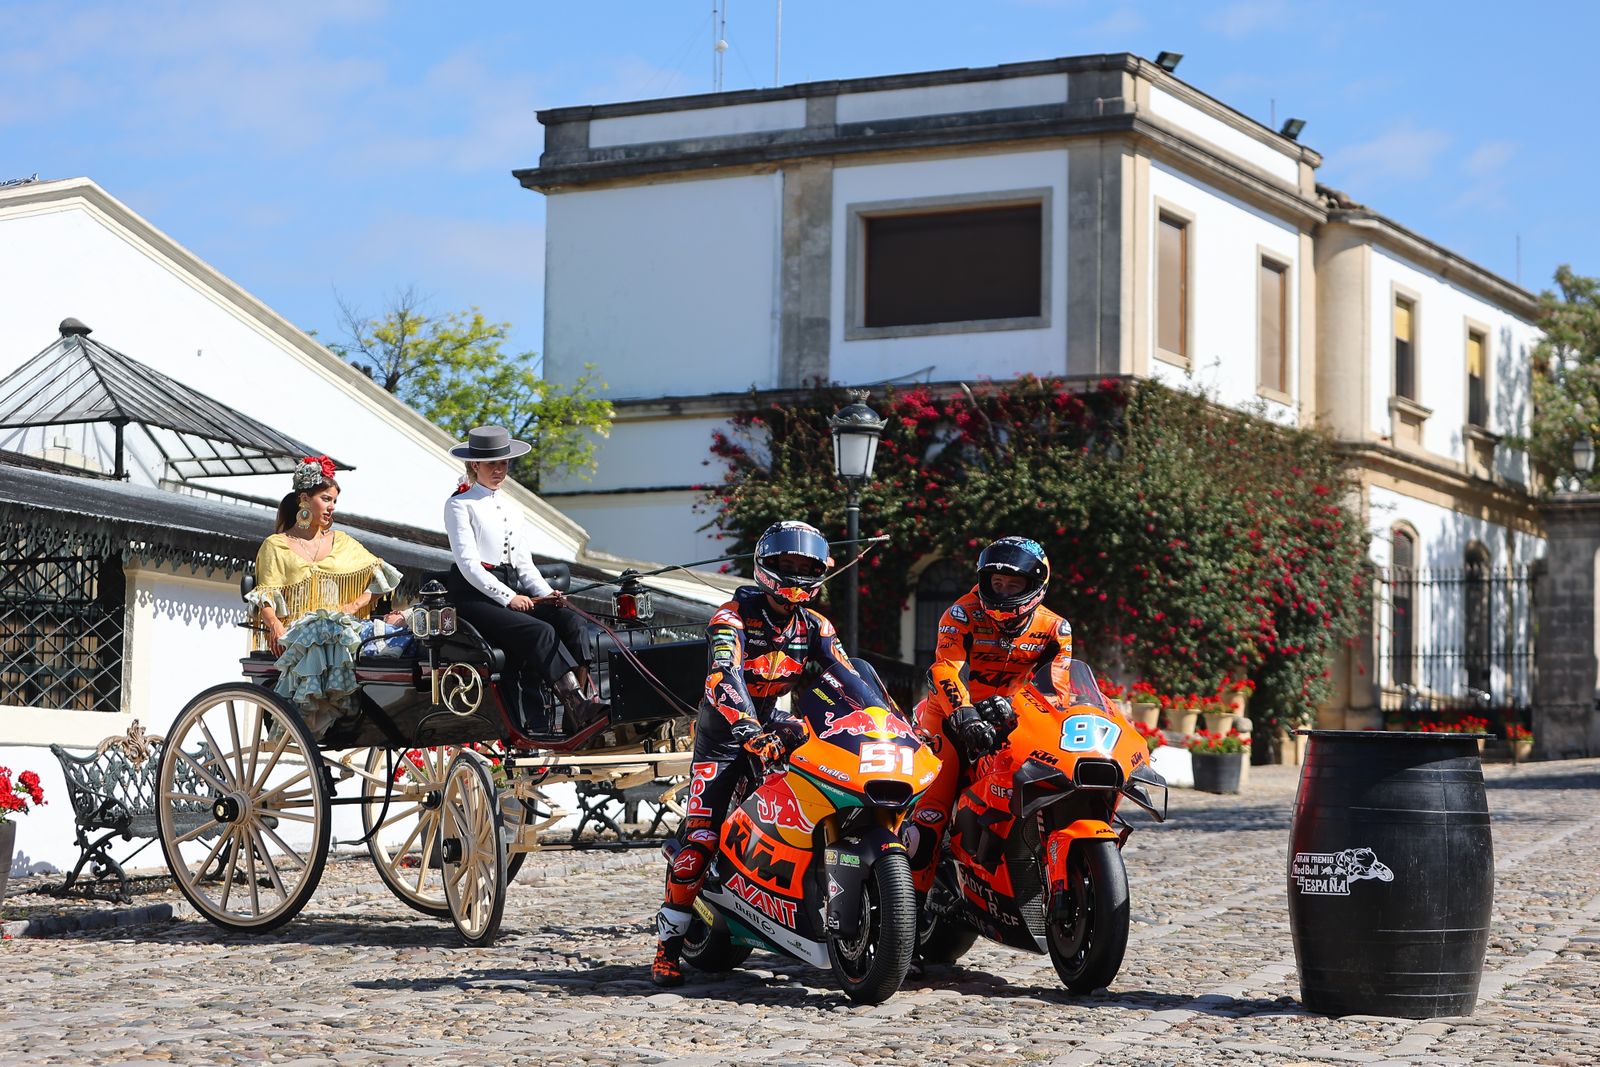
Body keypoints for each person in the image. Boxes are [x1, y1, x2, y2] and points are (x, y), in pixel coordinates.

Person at [651, 520, 856, 987]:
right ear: (766, 567)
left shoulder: (817, 625)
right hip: (723, 735)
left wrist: (888, 721)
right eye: (787, 565)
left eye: (805, 567)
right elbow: (723, 678)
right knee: (699, 844)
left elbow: (849, 678)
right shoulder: (730, 619)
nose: (796, 575)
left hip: (777, 730)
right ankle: (667, 948)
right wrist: (747, 729)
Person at [906, 536, 1073, 896]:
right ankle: (909, 912)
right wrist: (965, 716)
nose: (1003, 590)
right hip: (950, 717)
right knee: (931, 816)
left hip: (1012, 717)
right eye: (996, 582)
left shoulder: (1056, 629)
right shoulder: (961, 613)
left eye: (1014, 584)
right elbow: (945, 669)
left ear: (1036, 585)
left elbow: (1057, 689)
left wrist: (1015, 708)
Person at [443, 425, 602, 736]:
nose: (499, 470)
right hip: (474, 598)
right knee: (539, 630)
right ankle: (577, 704)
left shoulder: (513, 509)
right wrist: (509, 598)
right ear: (475, 465)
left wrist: (548, 594)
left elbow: (524, 564)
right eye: (492, 464)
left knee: (571, 621)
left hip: (510, 587)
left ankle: (577, 708)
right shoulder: (459, 504)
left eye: (503, 464)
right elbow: (468, 565)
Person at [247, 455, 408, 735]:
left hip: (339, 628)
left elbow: (382, 577)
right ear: (304, 500)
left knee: (391, 625)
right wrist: (275, 626)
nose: (331, 507)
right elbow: (265, 593)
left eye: (334, 501)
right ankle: (310, 709)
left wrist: (352, 605)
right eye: (326, 499)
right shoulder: (276, 546)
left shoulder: (342, 542)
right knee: (321, 627)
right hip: (295, 633)